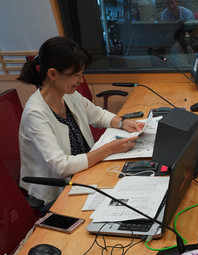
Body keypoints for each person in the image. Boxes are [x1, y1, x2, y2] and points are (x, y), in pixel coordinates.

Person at [17, 36, 144, 205]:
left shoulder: (69, 95)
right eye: (76, 75)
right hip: (60, 191)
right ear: (53, 74)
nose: (81, 80)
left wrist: (122, 122)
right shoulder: (35, 113)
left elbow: (97, 115)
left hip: (86, 171)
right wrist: (109, 149)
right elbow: (61, 167)